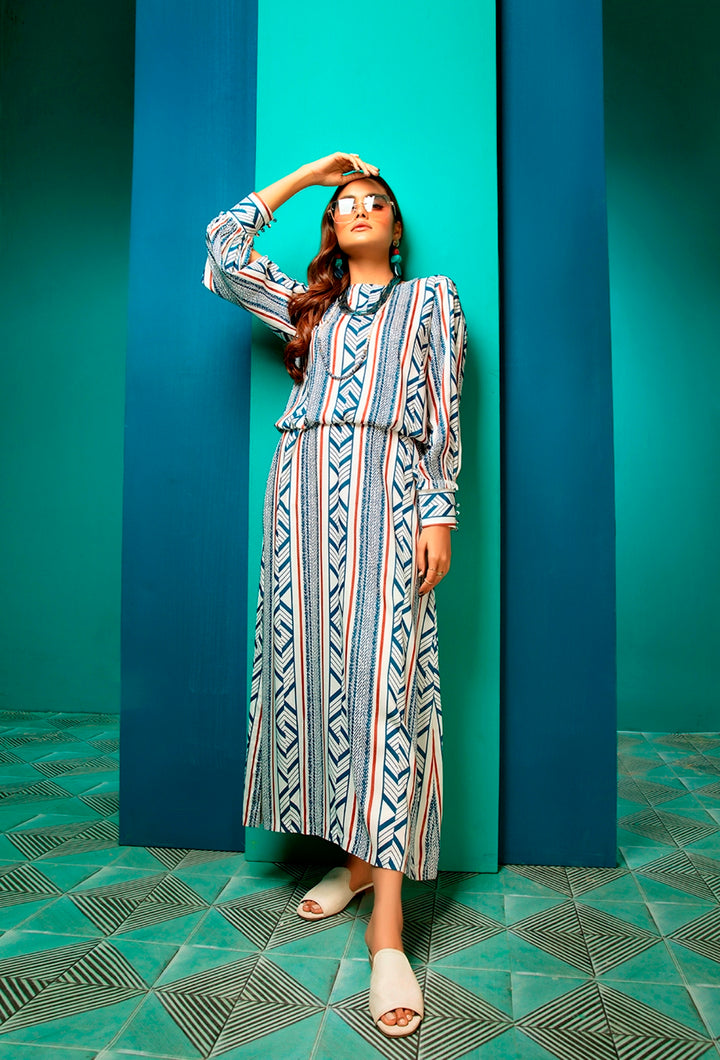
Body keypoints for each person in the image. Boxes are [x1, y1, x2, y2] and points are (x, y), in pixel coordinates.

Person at [203, 151, 467, 1038]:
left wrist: (440, 512)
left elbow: (444, 415)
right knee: (317, 683)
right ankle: (355, 862)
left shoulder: (432, 301)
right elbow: (222, 251)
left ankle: (388, 927)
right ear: (331, 225)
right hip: (301, 498)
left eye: (373, 201)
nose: (357, 208)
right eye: (345, 202)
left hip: (391, 491)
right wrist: (308, 175)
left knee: (388, 689)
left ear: (395, 228)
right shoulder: (305, 306)